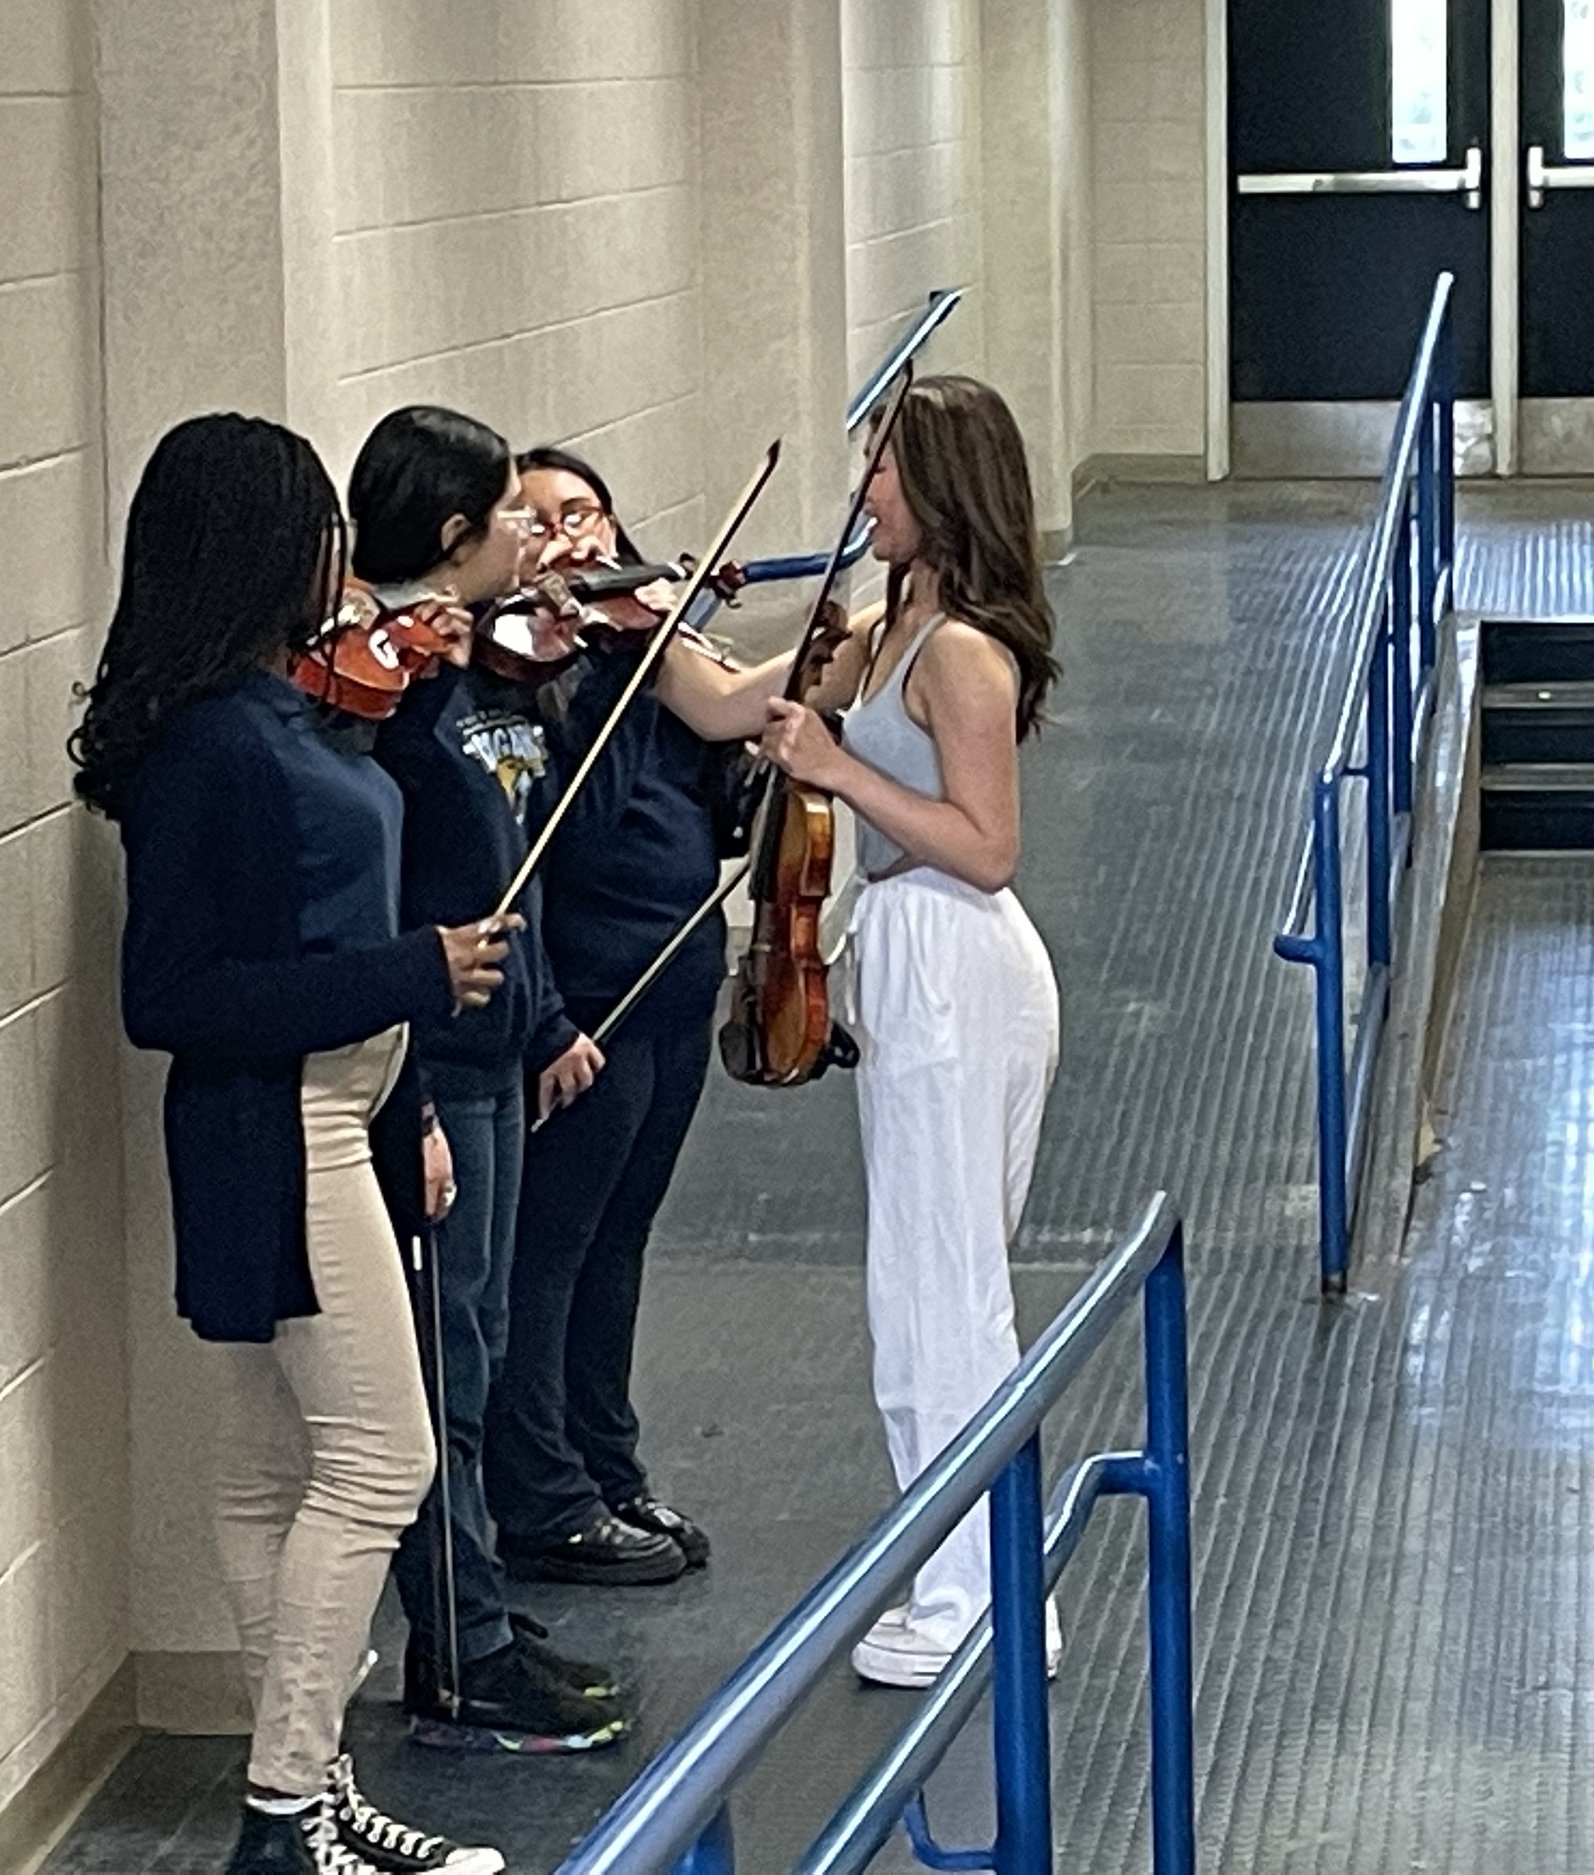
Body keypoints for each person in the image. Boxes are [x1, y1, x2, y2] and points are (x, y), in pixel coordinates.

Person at [70, 411, 516, 1875]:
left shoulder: (286, 712)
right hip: (279, 1120)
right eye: (318, 521)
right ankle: (280, 1808)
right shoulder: (210, 745)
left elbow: (339, 896)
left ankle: (312, 1789)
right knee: (381, 1458)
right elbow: (175, 997)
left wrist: (411, 1096)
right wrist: (413, 973)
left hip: (347, 1106)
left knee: (274, 1464)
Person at [651, 377, 1064, 1690]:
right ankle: (957, 1571)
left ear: (941, 486)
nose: (862, 490)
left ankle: (983, 1600)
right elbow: (723, 702)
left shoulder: (959, 652)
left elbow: (990, 847)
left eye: (882, 469)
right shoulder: (886, 625)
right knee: (922, 1288)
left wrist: (839, 771)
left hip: (955, 956)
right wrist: (634, 613)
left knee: (946, 1297)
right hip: (907, 953)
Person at [345, 406, 629, 1753]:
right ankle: (460, 1650)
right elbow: (391, 894)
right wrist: (408, 1098)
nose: (539, 538)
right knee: (449, 1362)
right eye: (513, 516)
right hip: (432, 1066)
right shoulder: (390, 693)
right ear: (453, 536)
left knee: (492, 1333)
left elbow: (513, 845)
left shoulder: (494, 669)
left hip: (495, 1047)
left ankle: (486, 1620)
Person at [478, 447, 721, 1588]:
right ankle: (543, 1494)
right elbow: (566, 835)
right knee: (553, 1252)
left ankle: (607, 1464)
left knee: (620, 1241)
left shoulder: (642, 648)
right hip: (593, 993)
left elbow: (712, 788)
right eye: (540, 521)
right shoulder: (537, 679)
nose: (573, 537)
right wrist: (618, 666)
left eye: (586, 511)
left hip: (676, 980)